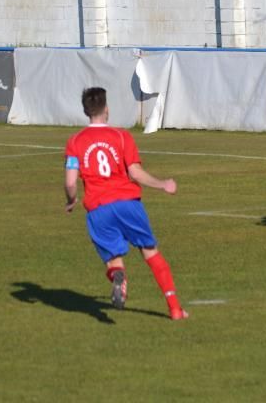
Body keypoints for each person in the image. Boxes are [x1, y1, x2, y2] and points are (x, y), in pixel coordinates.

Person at [64, 87, 188, 321]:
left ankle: (119, 276)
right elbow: (136, 172)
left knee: (113, 260)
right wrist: (162, 184)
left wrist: (72, 200)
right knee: (150, 252)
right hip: (128, 204)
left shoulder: (76, 142)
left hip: (99, 209)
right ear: (106, 109)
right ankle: (174, 309)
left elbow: (70, 182)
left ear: (85, 111)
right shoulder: (122, 136)